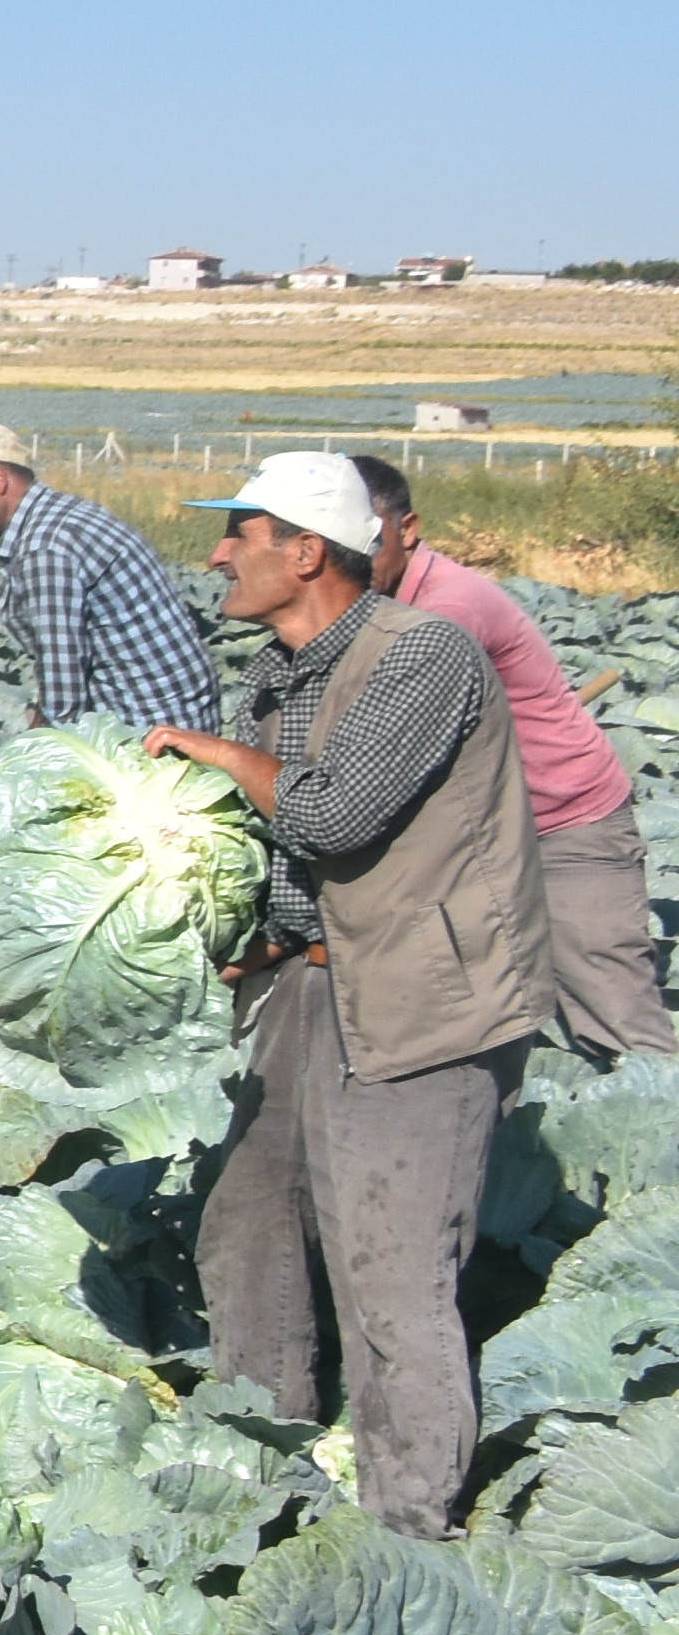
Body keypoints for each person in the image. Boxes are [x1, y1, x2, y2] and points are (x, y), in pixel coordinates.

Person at [143, 452, 548, 1537]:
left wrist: (218, 754)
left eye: (240, 532)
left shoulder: (425, 658)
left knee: (392, 1275)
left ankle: (410, 1526)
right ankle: (258, 1471)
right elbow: (293, 862)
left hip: (424, 997)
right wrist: (253, 940)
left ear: (306, 550)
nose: (218, 552)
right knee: (246, 1230)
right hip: (307, 984)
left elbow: (330, 816)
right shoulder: (282, 670)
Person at [358, 453, 670, 1059]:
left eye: (369, 541)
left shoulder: (449, 610)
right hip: (481, 838)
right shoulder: (374, 608)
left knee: (618, 1021)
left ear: (408, 528)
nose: (354, 557)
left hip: (566, 829)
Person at [0, 423, 217, 735]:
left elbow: (64, 685)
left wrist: (45, 752)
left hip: (151, 735)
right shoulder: (64, 516)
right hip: (177, 718)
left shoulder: (45, 546)